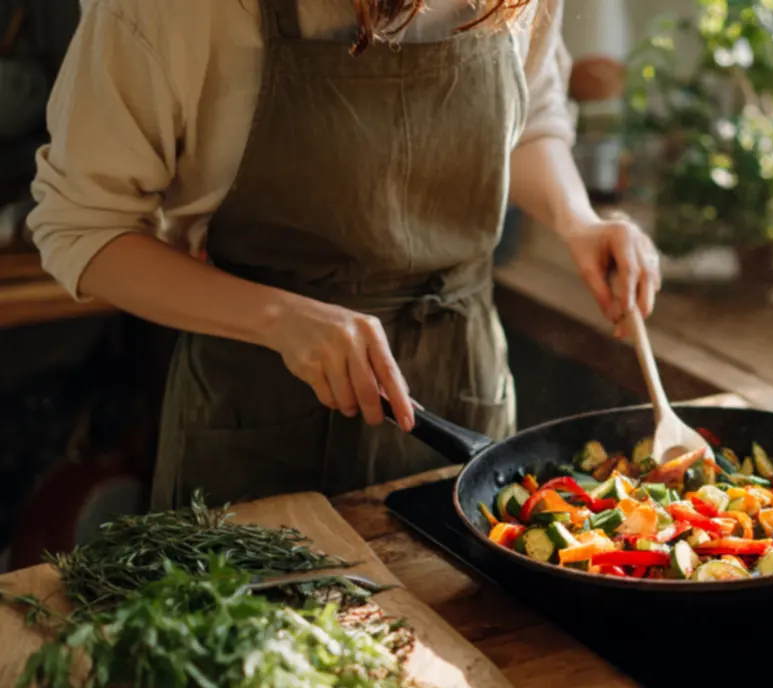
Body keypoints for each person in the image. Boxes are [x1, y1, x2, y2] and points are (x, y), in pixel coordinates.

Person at [29, 0, 660, 509]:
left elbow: (532, 112)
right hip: (258, 426)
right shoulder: (174, 11)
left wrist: (576, 221)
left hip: (462, 388)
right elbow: (81, 228)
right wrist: (278, 318)